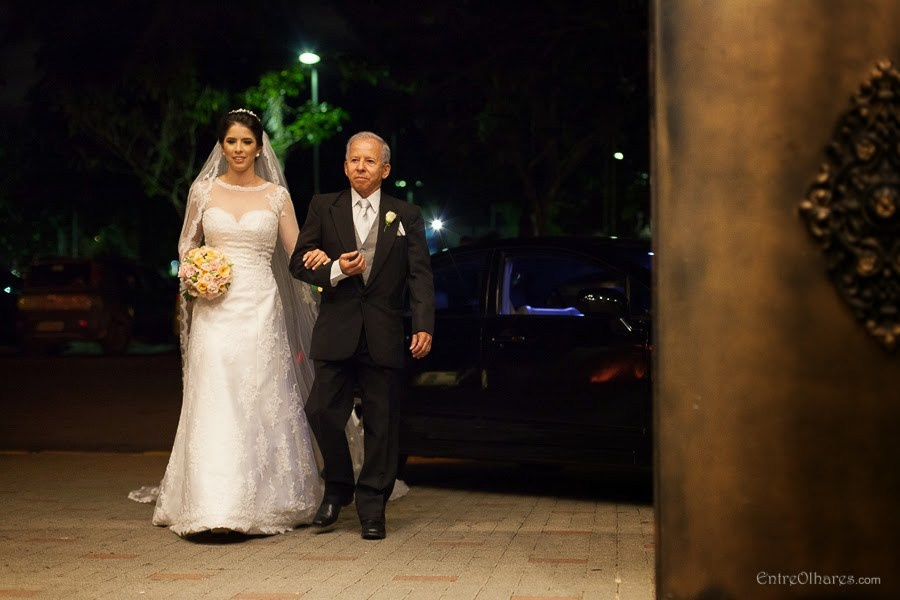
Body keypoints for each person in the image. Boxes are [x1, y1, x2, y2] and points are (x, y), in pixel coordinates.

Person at [148, 108, 330, 536]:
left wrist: (328, 264)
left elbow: (296, 254)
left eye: (247, 142)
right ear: (221, 145)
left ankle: (270, 497)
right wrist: (197, 274)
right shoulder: (203, 192)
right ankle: (212, 506)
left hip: (259, 305)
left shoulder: (276, 196)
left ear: (259, 145)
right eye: (231, 141)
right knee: (215, 394)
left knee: (261, 391)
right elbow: (188, 246)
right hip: (215, 308)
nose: (239, 149)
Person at [289, 131, 434, 540]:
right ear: (345, 165)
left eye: (369, 161)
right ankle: (338, 485)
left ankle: (373, 506)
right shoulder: (323, 206)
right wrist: (336, 269)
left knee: (381, 424)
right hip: (337, 329)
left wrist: (423, 324)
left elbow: (420, 275)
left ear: (385, 169)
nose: (360, 167)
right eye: (354, 160)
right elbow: (299, 263)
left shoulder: (406, 214)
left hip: (384, 332)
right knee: (320, 411)